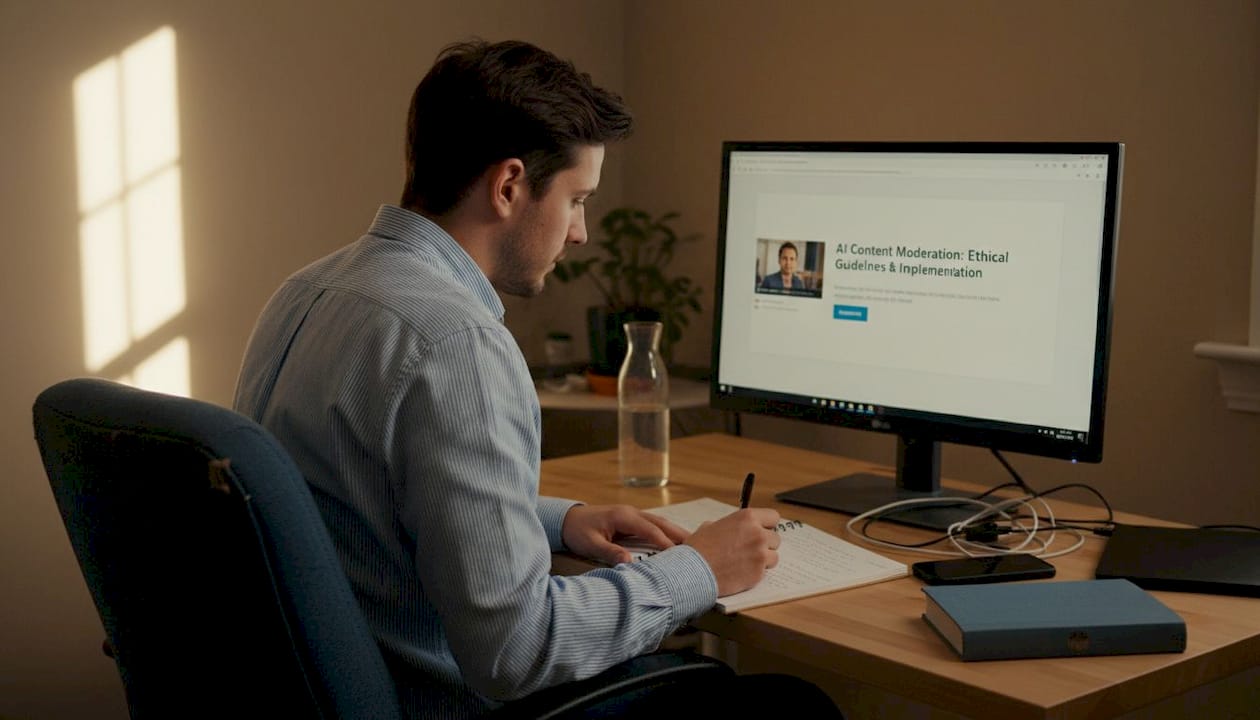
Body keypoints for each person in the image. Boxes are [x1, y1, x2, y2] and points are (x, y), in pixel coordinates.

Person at [234, 39, 843, 719]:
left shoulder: (307, 290)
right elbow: (516, 651)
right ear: (508, 186)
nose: (581, 232)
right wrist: (702, 569)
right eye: (577, 199)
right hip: (435, 702)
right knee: (789, 706)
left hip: (312, 690)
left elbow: (362, 501)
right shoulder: (455, 344)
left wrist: (557, 520)